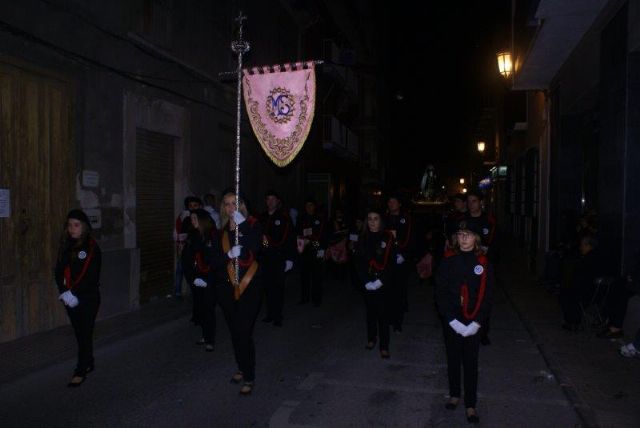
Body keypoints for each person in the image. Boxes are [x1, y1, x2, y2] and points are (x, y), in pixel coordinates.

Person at [435, 220, 494, 424]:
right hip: (452, 319)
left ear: (476, 238)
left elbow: (487, 295)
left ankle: (471, 404)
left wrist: (477, 322)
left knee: (470, 362)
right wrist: (450, 319)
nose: (463, 238)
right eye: (460, 234)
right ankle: (454, 394)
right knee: (453, 358)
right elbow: (440, 291)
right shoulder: (448, 259)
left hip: (473, 319)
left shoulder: (483, 262)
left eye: (468, 234)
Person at [216, 189, 263, 395]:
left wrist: (242, 225)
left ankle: (250, 375)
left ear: (241, 205)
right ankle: (241, 366)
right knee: (235, 332)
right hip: (227, 287)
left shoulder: (253, 224)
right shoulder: (223, 230)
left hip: (250, 285)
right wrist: (227, 254)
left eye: (234, 203)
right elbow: (214, 260)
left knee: (244, 332)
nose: (230, 207)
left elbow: (259, 246)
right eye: (226, 204)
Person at [54, 209, 102, 387]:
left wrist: (74, 293)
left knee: (84, 332)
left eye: (76, 225)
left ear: (84, 227)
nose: (72, 229)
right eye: (69, 225)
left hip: (88, 297)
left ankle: (80, 370)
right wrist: (64, 291)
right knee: (80, 333)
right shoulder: (66, 245)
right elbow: (59, 271)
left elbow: (91, 277)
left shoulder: (92, 247)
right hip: (69, 297)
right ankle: (88, 361)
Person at [354, 207, 396, 358]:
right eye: (369, 218)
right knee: (370, 311)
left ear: (381, 221)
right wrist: (365, 281)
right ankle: (371, 338)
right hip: (367, 280)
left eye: (375, 218)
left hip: (383, 281)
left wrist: (381, 281)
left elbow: (391, 262)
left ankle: (384, 346)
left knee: (383, 314)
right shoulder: (362, 236)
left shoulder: (387, 237)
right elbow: (358, 261)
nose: (372, 222)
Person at [182, 208, 218, 351]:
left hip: (209, 277)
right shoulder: (193, 235)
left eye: (195, 218)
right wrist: (192, 278)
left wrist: (209, 277)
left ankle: (210, 339)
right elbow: (187, 258)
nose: (192, 221)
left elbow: (215, 258)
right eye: (191, 219)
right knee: (201, 308)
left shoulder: (213, 236)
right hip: (196, 278)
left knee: (209, 309)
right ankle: (205, 334)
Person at [258, 190, 295, 327]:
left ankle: (278, 315)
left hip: (279, 257)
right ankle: (270, 313)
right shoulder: (261, 217)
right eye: (268, 199)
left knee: (278, 287)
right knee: (267, 287)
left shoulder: (284, 218)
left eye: (273, 199)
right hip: (265, 258)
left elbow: (290, 238)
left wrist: (290, 259)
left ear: (278, 201)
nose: (270, 202)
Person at [464, 190, 497, 345]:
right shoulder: (463, 220)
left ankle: (483, 331)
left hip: (483, 266)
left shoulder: (489, 220)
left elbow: (494, 244)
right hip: (465, 265)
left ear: (481, 202)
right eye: (469, 201)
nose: (471, 205)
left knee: (483, 297)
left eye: (474, 201)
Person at [558, 235, 601, 331]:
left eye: (582, 245)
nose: (581, 248)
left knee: (567, 295)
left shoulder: (587, 260)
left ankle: (572, 322)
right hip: (591, 290)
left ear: (588, 246)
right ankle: (572, 320)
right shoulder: (594, 257)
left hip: (587, 292)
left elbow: (581, 278)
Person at [385, 192, 414, 332]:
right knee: (388, 290)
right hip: (386, 259)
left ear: (399, 204)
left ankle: (398, 320)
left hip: (400, 258)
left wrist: (402, 253)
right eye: (389, 202)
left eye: (394, 202)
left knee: (399, 290)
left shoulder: (405, 218)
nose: (391, 204)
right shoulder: (384, 218)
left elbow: (408, 238)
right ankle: (389, 316)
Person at [296, 198, 328, 307]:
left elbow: (323, 236)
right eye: (307, 205)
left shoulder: (320, 218)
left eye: (311, 205)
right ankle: (305, 298)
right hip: (305, 252)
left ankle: (316, 299)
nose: (309, 207)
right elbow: (298, 233)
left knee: (317, 277)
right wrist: (301, 243)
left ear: (314, 206)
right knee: (304, 276)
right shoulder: (301, 218)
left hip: (317, 250)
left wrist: (313, 243)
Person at [174, 196, 203, 299]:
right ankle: (181, 291)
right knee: (183, 270)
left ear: (200, 206)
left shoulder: (205, 218)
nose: (193, 208)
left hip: (200, 252)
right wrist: (181, 246)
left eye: (195, 205)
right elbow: (180, 234)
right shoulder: (185, 218)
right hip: (188, 251)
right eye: (190, 206)